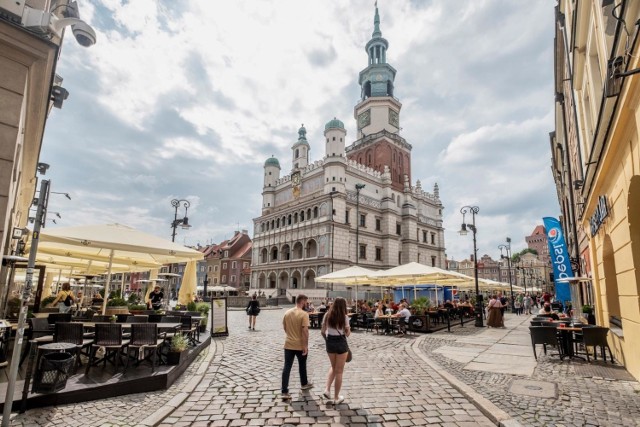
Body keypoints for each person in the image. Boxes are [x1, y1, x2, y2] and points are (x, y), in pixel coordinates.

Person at [281, 294, 313, 400]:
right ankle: (304, 384)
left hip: (288, 343)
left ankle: (284, 391)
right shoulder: (304, 314)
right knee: (302, 365)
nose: (306, 304)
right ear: (303, 302)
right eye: (306, 302)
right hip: (300, 345)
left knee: (287, 367)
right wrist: (305, 345)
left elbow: (285, 328)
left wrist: (291, 335)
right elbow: (305, 331)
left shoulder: (287, 313)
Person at [320, 297, 350, 405]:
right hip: (341, 343)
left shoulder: (327, 315)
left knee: (333, 367)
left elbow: (323, 331)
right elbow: (347, 334)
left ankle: (327, 390)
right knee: (339, 371)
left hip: (330, 342)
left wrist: (328, 340)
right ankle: (336, 397)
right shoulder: (345, 317)